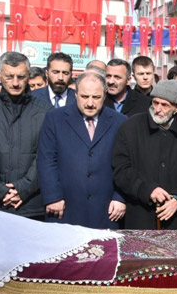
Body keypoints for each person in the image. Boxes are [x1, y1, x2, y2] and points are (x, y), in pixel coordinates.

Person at [37, 72, 126, 228]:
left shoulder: (120, 121)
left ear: (105, 95)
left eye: (96, 97)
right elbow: (47, 160)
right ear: (76, 94)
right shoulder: (55, 119)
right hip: (65, 208)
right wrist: (52, 197)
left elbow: (126, 163)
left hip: (107, 210)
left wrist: (120, 198)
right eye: (85, 97)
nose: (90, 103)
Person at [113, 80, 177, 230]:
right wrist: (147, 190)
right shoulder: (131, 127)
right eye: (155, 102)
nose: (158, 109)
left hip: (176, 218)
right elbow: (121, 168)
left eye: (165, 105)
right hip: (139, 215)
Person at [0, 52, 52, 219]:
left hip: (30, 203)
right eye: (10, 77)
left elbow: (45, 156)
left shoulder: (45, 110)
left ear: (29, 76)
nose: (16, 83)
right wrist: (0, 191)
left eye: (21, 77)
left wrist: (23, 189)